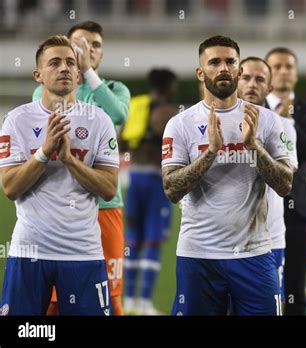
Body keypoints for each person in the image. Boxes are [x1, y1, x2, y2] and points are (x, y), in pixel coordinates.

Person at [162, 35, 293, 315]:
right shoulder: (180, 124)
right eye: (214, 62)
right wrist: (211, 152)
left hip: (254, 254)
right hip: (198, 256)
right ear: (201, 72)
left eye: (230, 62)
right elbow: (172, 189)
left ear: (239, 70)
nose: (223, 68)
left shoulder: (267, 121)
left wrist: (253, 146)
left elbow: (285, 184)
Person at [0, 35, 119, 315]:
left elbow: (109, 188)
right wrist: (44, 152)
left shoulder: (99, 120)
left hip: (84, 253)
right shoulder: (17, 120)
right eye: (54, 62)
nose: (64, 68)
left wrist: (68, 159)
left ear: (79, 73)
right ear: (38, 74)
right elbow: (10, 188)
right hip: (29, 251)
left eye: (70, 62)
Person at [32, 21, 130, 316]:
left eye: (95, 45)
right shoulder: (44, 92)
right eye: (79, 44)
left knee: (110, 297)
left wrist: (87, 71)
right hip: (59, 207)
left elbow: (118, 114)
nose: (87, 50)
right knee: (53, 301)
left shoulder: (114, 89)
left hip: (104, 204)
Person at [237, 56, 298, 304]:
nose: (252, 84)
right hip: (225, 238)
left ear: (270, 88)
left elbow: (285, 179)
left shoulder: (283, 126)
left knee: (271, 305)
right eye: (246, 78)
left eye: (260, 79)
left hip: (270, 235)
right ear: (236, 81)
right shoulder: (216, 122)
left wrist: (254, 146)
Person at [265, 47, 306, 315]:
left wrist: (290, 122)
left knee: (295, 286)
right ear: (267, 73)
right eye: (277, 66)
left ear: (296, 75)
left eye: (289, 67)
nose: (283, 72)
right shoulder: (256, 109)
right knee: (262, 283)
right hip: (262, 207)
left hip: (298, 208)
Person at [121, 69, 178, 315]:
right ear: (168, 87)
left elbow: (121, 141)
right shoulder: (168, 113)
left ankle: (127, 301)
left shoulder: (135, 106)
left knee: (133, 239)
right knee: (154, 240)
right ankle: (144, 302)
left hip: (134, 176)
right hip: (156, 181)